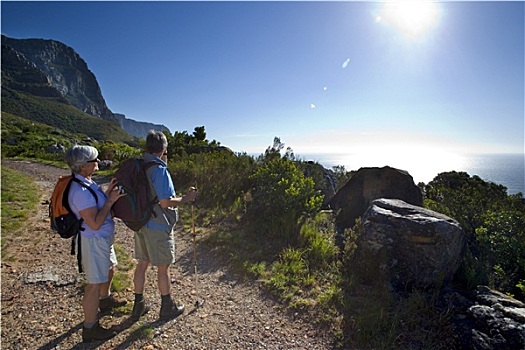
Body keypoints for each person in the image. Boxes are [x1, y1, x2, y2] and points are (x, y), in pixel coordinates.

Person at [131, 130, 197, 322]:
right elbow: (165, 202)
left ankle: (138, 304)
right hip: (158, 225)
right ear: (163, 148)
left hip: (141, 222)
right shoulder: (159, 170)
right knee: (163, 267)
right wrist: (185, 199)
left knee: (142, 264)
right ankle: (167, 306)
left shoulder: (140, 166)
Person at [65, 145, 127, 343]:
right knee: (93, 284)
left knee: (110, 269)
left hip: (102, 240)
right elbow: (94, 222)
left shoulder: (87, 182)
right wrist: (110, 201)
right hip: (94, 241)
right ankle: (90, 328)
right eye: (94, 160)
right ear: (82, 166)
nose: (98, 162)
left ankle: (105, 299)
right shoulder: (80, 191)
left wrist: (107, 192)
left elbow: (98, 205)